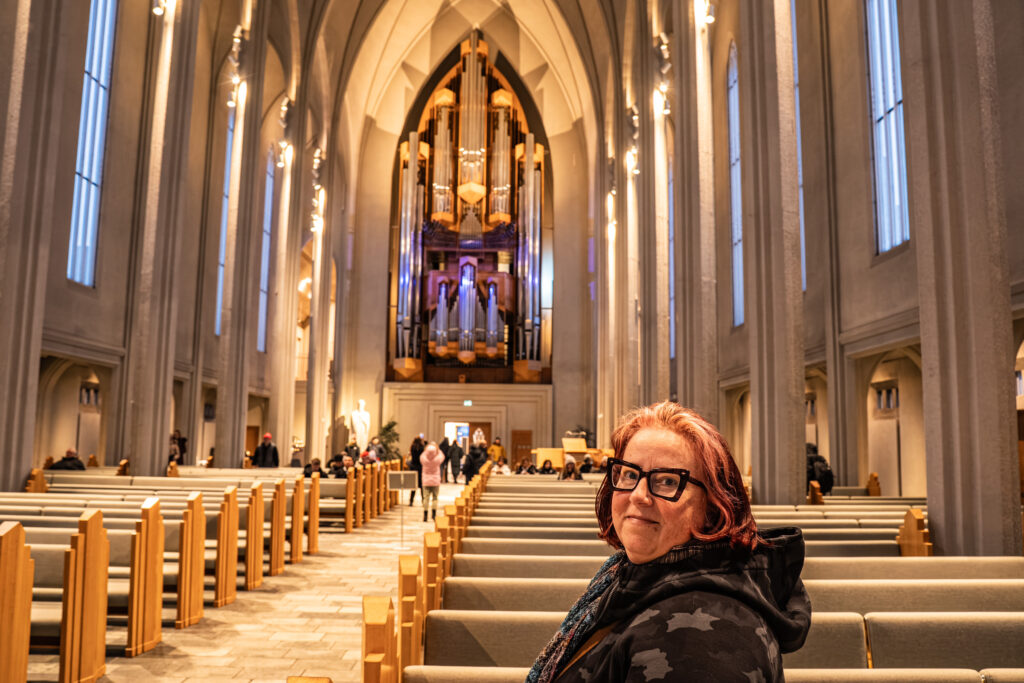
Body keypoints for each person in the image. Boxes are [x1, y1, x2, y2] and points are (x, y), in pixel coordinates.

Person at [527, 402, 810, 683]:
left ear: (714, 506)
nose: (638, 495)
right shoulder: (637, 576)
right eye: (630, 474)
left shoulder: (699, 640)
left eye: (667, 481)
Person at [420, 441, 445, 522]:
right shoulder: (437, 458)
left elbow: (421, 456)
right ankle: (433, 515)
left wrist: (426, 450)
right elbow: (442, 456)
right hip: (435, 480)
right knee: (435, 498)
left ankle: (425, 515)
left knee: (426, 498)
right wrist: (438, 450)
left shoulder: (424, 457)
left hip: (426, 480)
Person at [407, 435, 425, 505]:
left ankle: (411, 501)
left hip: (413, 467)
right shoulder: (422, 448)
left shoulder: (412, 447)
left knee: (413, 485)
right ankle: (423, 501)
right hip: (420, 468)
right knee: (422, 486)